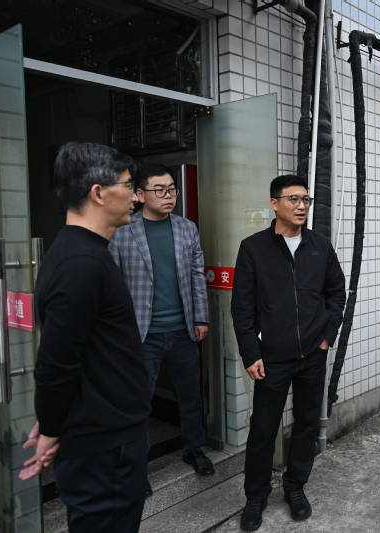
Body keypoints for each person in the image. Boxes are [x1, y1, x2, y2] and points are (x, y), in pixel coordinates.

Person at [20, 142, 152, 532]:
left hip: (105, 437)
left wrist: (52, 421)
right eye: (128, 186)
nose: (136, 197)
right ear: (98, 192)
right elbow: (55, 365)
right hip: (105, 450)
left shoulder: (83, 253)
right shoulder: (80, 263)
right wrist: (50, 429)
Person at [231, 174, 346, 531]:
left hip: (313, 354)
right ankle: (256, 495)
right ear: (274, 203)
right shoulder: (253, 248)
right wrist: (251, 354)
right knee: (263, 428)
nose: (301, 206)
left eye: (305, 200)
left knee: (307, 424)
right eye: (293, 199)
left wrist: (326, 337)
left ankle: (295, 486)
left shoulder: (320, 245)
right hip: (272, 358)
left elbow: (336, 293)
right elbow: (242, 307)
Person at [109, 163, 213, 495]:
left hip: (182, 330)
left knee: (190, 396)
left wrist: (201, 318)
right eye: (160, 190)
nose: (169, 195)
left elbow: (197, 275)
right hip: (141, 335)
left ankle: (193, 449)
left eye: (172, 189)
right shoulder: (122, 231)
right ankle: (134, 468)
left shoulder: (186, 228)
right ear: (140, 195)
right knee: (137, 403)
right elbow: (111, 286)